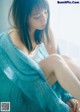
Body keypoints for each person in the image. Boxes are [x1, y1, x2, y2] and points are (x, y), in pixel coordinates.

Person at [0, 0, 80, 111]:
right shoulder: (14, 37)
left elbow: (60, 71)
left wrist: (67, 96)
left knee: (64, 58)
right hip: (16, 95)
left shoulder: (43, 32)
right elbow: (30, 81)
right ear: (24, 18)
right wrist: (61, 107)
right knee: (55, 60)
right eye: (37, 16)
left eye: (46, 12)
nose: (44, 19)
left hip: (34, 87)